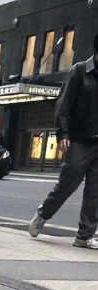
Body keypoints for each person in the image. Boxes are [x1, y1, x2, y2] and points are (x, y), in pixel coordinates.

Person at [29, 34, 98, 249]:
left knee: (95, 192)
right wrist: (63, 134)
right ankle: (43, 214)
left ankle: (84, 236)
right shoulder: (79, 71)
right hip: (79, 138)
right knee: (68, 184)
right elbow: (63, 105)